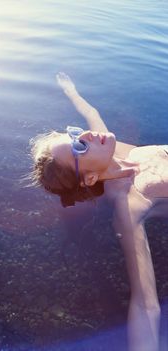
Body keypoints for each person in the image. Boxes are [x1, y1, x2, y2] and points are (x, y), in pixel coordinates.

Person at [29, 72, 168, 351]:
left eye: (75, 134)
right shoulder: (130, 204)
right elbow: (145, 304)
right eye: (79, 146)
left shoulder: (117, 151)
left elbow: (91, 112)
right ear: (90, 179)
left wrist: (70, 91)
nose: (87, 134)